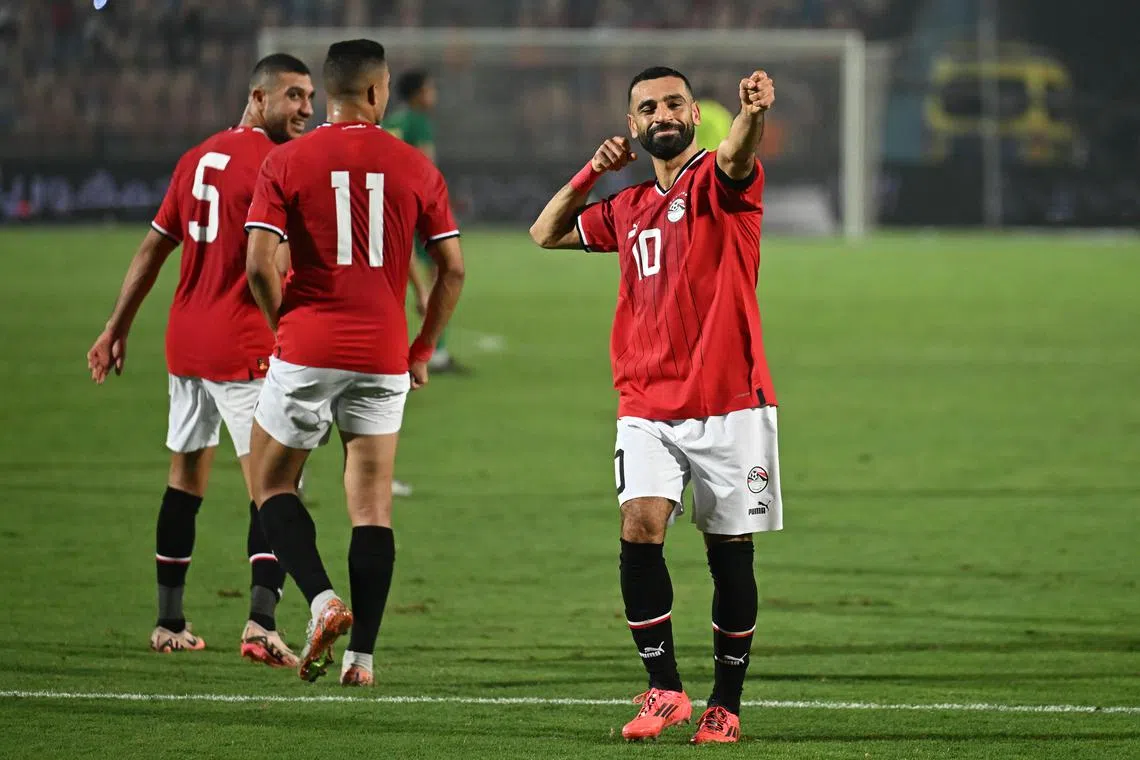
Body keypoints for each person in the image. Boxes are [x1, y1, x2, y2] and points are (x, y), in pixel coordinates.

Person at [529, 66, 778, 744]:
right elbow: (544, 233)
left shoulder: (723, 184)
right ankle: (664, 687)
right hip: (644, 402)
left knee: (729, 551)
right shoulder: (628, 205)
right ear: (633, 126)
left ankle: (725, 704)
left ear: (695, 113)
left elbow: (738, 154)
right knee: (640, 525)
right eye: (646, 108)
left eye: (673, 103)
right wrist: (589, 172)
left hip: (730, 402)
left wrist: (753, 113)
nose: (660, 114)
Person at [244, 39, 465, 686]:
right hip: (383, 352)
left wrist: (283, 323)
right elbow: (452, 268)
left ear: (331, 92)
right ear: (375, 93)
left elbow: (259, 261)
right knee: (371, 508)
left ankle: (319, 600)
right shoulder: (415, 167)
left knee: (271, 483)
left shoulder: (287, 161)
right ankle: (362, 659)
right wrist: (422, 349)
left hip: (308, 343)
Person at [86, 55, 316, 666]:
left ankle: (169, 622)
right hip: (243, 347)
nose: (306, 109)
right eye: (293, 96)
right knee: (276, 486)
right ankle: (263, 624)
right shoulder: (275, 164)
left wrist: (116, 328)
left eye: (310, 96)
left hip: (186, 344)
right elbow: (275, 265)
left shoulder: (197, 158)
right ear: (258, 98)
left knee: (185, 478)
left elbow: (152, 249)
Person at [384, 69, 468, 374]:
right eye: (431, 89)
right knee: (441, 276)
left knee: (399, 277)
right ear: (418, 93)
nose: (434, 95)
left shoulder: (391, 121)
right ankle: (436, 352)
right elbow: (425, 168)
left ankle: (392, 346)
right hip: (417, 208)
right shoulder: (419, 123)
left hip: (388, 205)